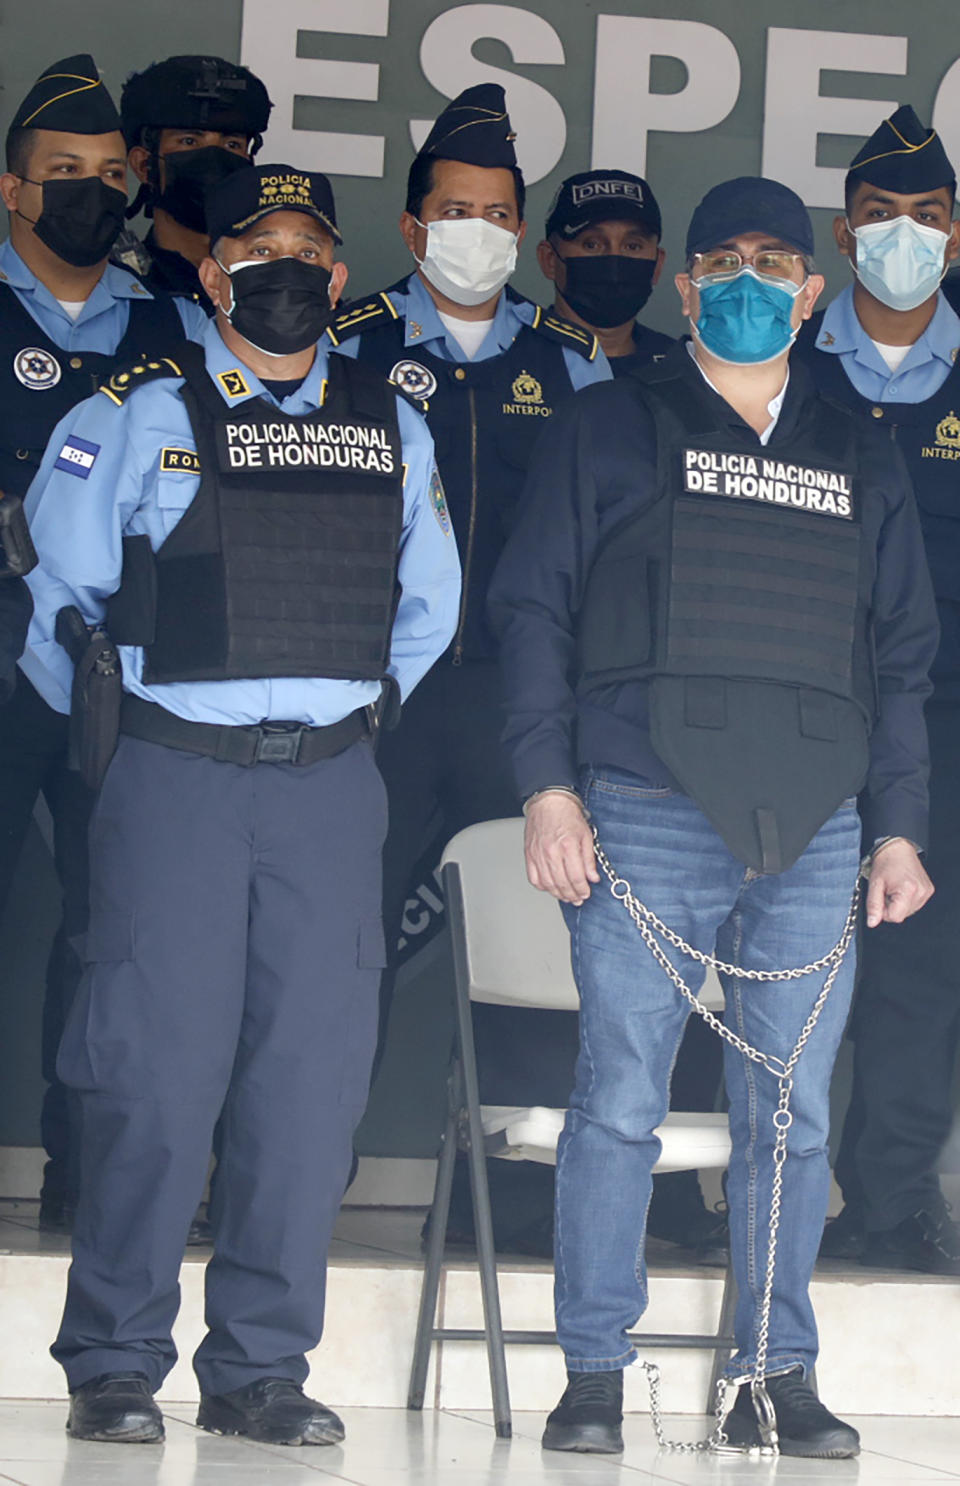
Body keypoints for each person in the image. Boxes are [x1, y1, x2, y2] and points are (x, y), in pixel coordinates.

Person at [489, 176, 937, 1459]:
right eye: (722, 261)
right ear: (687, 289)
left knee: (787, 1115)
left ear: (812, 291)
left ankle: (774, 1370)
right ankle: (592, 1371)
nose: (748, 281)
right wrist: (546, 785)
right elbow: (534, 614)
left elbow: (899, 654)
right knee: (617, 1099)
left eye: (773, 263)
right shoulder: (607, 427)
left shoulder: (862, 446)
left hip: (817, 826)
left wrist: (897, 825)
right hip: (642, 805)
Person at [23, 161, 460, 1445]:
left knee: (307, 1085)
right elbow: (58, 608)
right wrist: (134, 741)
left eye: (306, 253)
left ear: (337, 277)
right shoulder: (135, 413)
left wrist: (342, 714)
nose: (282, 271)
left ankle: (261, 1368)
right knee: (151, 1078)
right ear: (211, 277)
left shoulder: (392, 425)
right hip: (174, 782)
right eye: (253, 249)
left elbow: (425, 611)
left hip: (328, 785)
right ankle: (114, 1359)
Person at [331, 84, 612, 1253]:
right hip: (377, 698)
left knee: (533, 948)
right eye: (457, 210)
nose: (478, 232)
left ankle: (523, 1208)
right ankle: (293, 1178)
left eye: (499, 213)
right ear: (413, 229)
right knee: (337, 951)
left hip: (519, 705)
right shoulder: (349, 349)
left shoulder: (572, 365)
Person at [0, 54, 206, 1234]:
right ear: (14, 191)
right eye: (62, 174)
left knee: (111, 927)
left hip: (113, 662)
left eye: (109, 173)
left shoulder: (175, 322)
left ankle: (83, 1171)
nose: (91, 190)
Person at [537, 166, 727, 1258]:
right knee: (583, 1002)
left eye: (634, 239)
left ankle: (669, 1209)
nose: (614, 255)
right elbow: (536, 588)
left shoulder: (676, 380)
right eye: (589, 237)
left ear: (664, 266)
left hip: (669, 736)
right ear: (550, 253)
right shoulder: (535, 370)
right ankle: (518, 1205)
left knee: (697, 992)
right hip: (543, 708)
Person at [794, 107, 960, 1276]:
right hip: (793, 706)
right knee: (770, 953)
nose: (904, 233)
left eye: (929, 216)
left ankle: (893, 1200)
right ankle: (735, 1196)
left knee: (919, 970)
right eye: (880, 217)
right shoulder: (783, 361)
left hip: (944, 720)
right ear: (844, 237)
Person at [113, 54, 272, 304]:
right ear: (144, 165)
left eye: (232, 144)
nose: (214, 158)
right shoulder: (117, 288)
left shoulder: (275, 287)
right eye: (189, 142)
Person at [537, 168, 674, 376]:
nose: (614, 262)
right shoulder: (509, 358)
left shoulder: (682, 367)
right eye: (591, 244)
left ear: (657, 265)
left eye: (633, 246)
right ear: (549, 260)